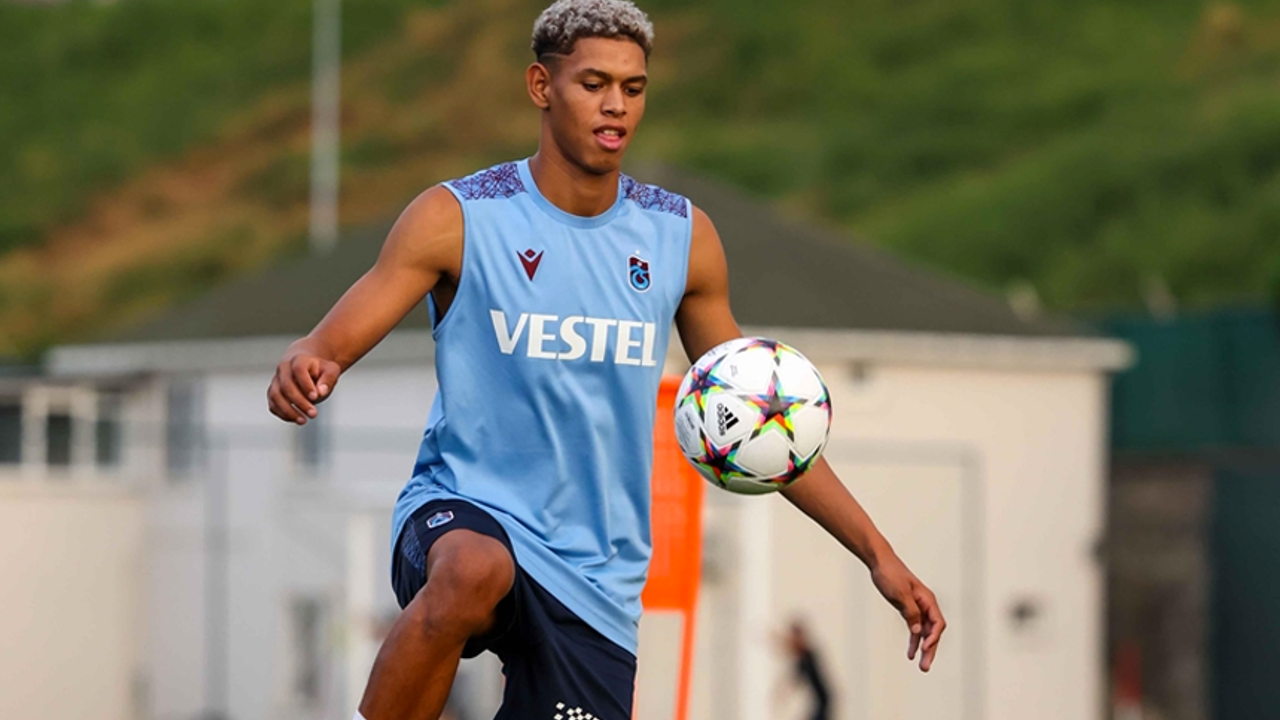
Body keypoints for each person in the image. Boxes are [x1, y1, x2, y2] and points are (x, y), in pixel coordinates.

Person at [266, 2, 946, 719]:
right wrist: (307, 361)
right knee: (472, 570)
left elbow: (761, 425)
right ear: (541, 86)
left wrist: (879, 554)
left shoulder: (680, 238)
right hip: (462, 513)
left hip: (594, 573)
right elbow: (327, 345)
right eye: (594, 84)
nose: (616, 104)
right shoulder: (457, 217)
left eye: (633, 87)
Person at [777, 619, 833, 720]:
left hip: (824, 701)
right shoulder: (803, 659)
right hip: (820, 702)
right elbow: (796, 678)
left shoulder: (808, 656)